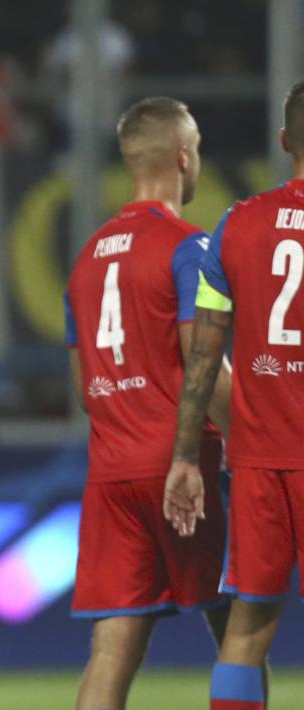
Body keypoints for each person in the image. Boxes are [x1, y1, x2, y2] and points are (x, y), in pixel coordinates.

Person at [64, 96, 241, 710]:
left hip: (112, 473)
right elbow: (204, 363)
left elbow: (87, 388)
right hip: (182, 467)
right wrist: (255, 438)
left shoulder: (86, 260)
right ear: (185, 157)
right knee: (238, 638)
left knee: (110, 653)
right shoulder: (190, 248)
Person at [165, 82, 304, 710]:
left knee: (248, 626)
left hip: (259, 460)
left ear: (283, 143)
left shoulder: (236, 225)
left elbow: (203, 355)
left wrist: (187, 455)